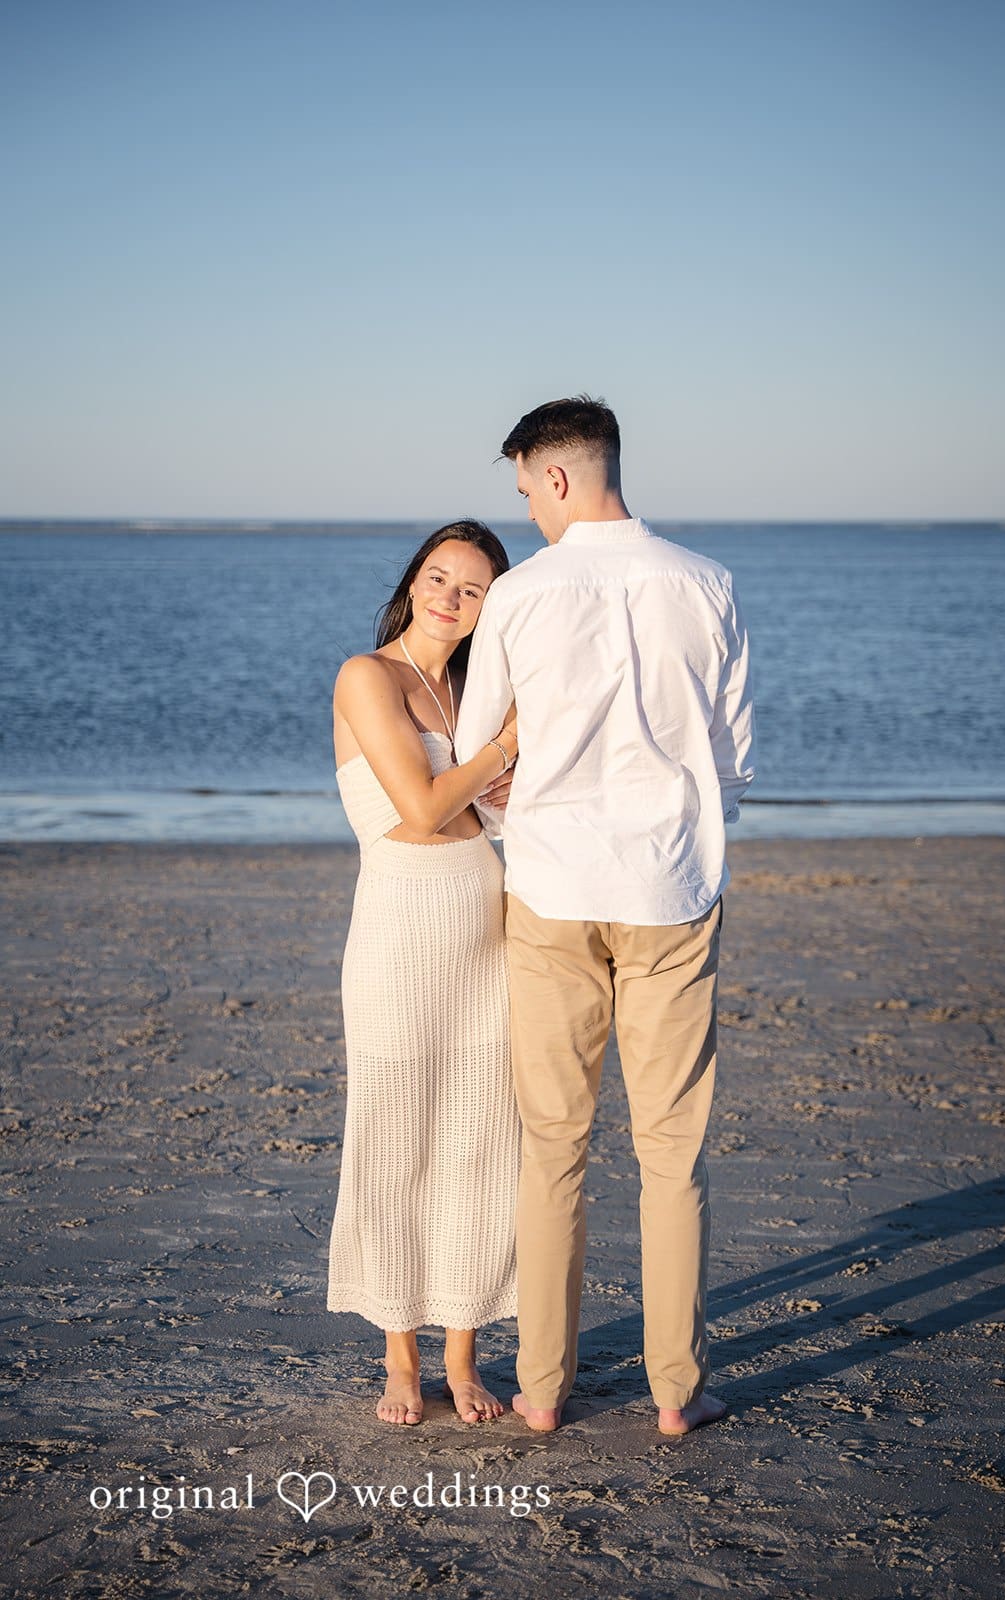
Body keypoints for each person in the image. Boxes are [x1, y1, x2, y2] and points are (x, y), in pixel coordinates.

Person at [454, 397, 756, 1436]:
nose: (528, 512)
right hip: (671, 889)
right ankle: (676, 1392)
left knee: (554, 1147)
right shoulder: (706, 583)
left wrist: (520, 822)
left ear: (552, 477)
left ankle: (543, 1388)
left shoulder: (524, 594)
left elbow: (482, 751)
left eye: (524, 490)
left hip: (550, 889)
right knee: (673, 1149)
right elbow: (732, 760)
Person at [327, 519, 522, 1426]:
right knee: (397, 1143)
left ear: (490, 609)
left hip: (487, 937)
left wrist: (496, 767)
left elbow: (481, 814)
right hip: (399, 939)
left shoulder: (473, 696)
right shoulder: (368, 678)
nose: (449, 596)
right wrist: (503, 751)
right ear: (412, 582)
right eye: (438, 577)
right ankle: (401, 1360)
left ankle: (463, 1355)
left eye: (472, 587)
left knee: (480, 1146)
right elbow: (416, 809)